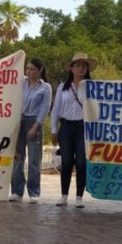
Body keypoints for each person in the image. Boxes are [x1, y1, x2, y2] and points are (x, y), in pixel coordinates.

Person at [50, 53, 94, 208]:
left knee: (81, 162)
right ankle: (63, 195)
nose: (81, 68)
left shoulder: (92, 87)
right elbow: (56, 109)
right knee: (67, 161)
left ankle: (79, 197)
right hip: (66, 127)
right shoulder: (63, 87)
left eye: (84, 66)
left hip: (83, 128)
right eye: (78, 65)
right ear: (71, 68)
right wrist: (54, 130)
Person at [10, 58, 52, 204]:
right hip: (19, 120)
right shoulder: (21, 83)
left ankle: (34, 192)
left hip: (34, 121)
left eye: (32, 69)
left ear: (39, 70)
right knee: (17, 158)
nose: (29, 71)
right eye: (27, 68)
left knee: (34, 159)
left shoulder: (45, 87)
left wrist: (36, 126)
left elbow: (45, 108)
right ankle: (16, 191)